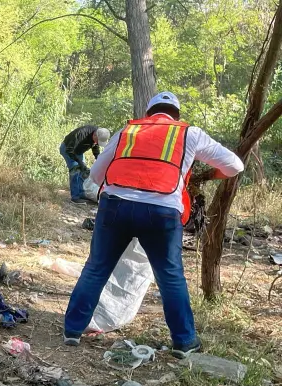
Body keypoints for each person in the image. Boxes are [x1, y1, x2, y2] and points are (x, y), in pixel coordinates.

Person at [63, 92, 245, 358]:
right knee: (170, 277)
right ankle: (184, 342)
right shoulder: (189, 133)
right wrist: (209, 174)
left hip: (115, 207)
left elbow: (96, 175)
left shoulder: (128, 131)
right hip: (162, 212)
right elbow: (235, 166)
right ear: (177, 116)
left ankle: (72, 330)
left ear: (148, 115)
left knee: (96, 268)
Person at [59, 125, 110, 203]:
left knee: (83, 172)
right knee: (75, 170)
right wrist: (80, 163)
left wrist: (99, 160)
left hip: (79, 151)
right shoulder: (81, 134)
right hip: (68, 149)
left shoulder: (99, 133)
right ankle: (75, 197)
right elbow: (69, 150)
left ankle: (82, 194)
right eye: (97, 141)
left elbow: (95, 148)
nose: (97, 143)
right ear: (94, 135)